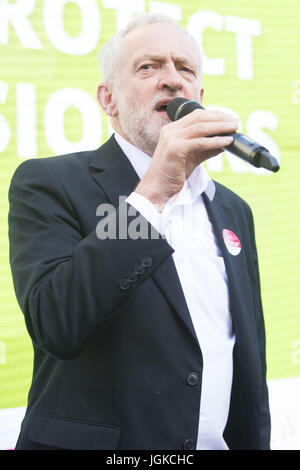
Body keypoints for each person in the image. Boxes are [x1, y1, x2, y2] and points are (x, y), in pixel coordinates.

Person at [8, 13, 271, 450]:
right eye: (148, 67)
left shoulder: (232, 209)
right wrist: (151, 194)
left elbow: (247, 355)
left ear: (199, 97)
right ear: (108, 99)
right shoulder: (50, 183)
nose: (172, 81)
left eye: (184, 68)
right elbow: (58, 321)